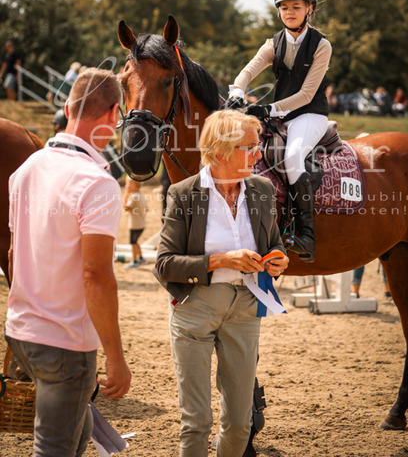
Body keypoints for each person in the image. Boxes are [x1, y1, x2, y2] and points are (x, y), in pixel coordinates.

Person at [5, 67, 131, 457]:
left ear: (67, 107)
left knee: (77, 436)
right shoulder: (97, 183)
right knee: (54, 448)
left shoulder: (25, 170)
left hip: (20, 331)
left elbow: (13, 254)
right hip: (64, 342)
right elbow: (96, 275)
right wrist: (116, 358)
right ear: (112, 114)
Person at [154, 109, 289, 457]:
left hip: (246, 308)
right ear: (222, 151)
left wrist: (278, 259)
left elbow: (273, 242)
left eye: (258, 145)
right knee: (196, 421)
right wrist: (220, 261)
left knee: (241, 423)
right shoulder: (183, 193)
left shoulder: (262, 189)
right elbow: (164, 265)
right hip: (195, 308)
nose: (258, 154)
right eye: (250, 147)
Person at [228, 0, 332, 263]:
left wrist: (269, 109)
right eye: (284, 7)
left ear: (310, 9)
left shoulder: (321, 45)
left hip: (309, 114)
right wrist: (238, 92)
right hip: (279, 117)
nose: (289, 12)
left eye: (296, 7)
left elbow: (307, 94)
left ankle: (306, 235)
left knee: (292, 156)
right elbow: (247, 72)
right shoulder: (273, 43)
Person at [123, 176, 147, 268]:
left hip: (134, 225)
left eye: (127, 184)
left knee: (133, 243)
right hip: (142, 224)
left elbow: (126, 207)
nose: (126, 186)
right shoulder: (142, 195)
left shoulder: (134, 197)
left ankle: (135, 261)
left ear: (133, 184)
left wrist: (125, 195)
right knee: (136, 242)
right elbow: (147, 209)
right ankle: (141, 258)